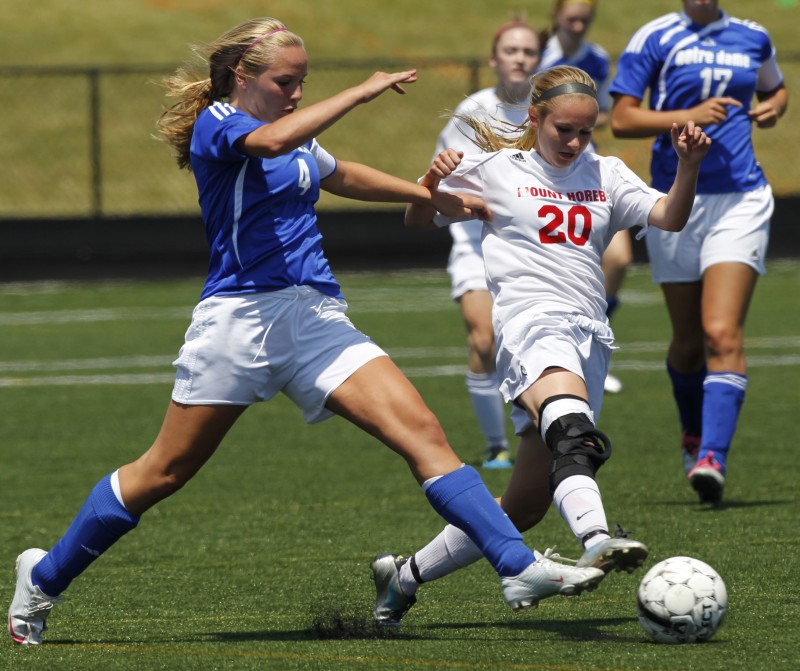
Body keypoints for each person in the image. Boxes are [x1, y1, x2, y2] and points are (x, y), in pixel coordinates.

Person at [6, 18, 608, 646]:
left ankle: (517, 566)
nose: (296, 93)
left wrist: (431, 196)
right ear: (241, 77)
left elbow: (340, 174)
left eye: (303, 82)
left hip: (316, 318)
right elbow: (270, 143)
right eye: (284, 82)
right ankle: (43, 578)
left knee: (424, 434)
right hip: (239, 322)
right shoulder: (221, 123)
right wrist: (361, 91)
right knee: (163, 472)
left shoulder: (292, 134)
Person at [371, 65, 711, 627]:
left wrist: (688, 165)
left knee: (523, 507)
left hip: (589, 336)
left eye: (585, 131)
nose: (574, 142)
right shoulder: (498, 168)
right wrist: (431, 182)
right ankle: (596, 539)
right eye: (563, 130)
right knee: (576, 436)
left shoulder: (606, 172)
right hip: (530, 325)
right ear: (534, 118)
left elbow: (670, 217)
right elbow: (418, 218)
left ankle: (402, 577)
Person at [609, 0, 789, 502]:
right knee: (687, 345)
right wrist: (689, 115)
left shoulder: (753, 36)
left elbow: (775, 88)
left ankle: (712, 456)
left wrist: (775, 107)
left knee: (720, 332)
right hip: (676, 201)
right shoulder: (655, 37)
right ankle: (693, 432)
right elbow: (621, 119)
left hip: (740, 199)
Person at [434, 21, 541, 469]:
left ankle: (540, 431)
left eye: (528, 51)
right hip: (475, 243)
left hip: (534, 248)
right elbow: (444, 178)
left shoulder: (547, 110)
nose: (520, 58)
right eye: (511, 50)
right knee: (484, 339)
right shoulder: (473, 111)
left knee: (532, 343)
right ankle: (497, 444)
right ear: (494, 58)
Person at [539, 0, 631, 395]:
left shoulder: (596, 57)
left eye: (585, 19)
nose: (578, 25)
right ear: (556, 15)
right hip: (544, 170)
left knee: (619, 258)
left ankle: (594, 343)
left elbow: (605, 109)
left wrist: (581, 121)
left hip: (584, 165)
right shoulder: (539, 55)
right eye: (571, 18)